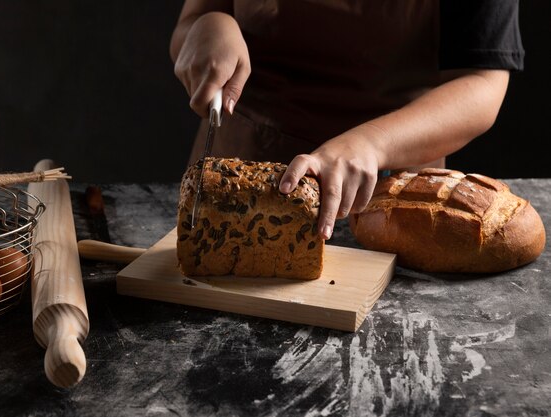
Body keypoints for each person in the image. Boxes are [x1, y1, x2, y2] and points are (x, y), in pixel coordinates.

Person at [169, 0, 524, 241]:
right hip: (239, 177)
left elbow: (483, 83)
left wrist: (372, 142)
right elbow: (191, 25)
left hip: (392, 201)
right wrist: (207, 25)